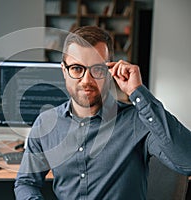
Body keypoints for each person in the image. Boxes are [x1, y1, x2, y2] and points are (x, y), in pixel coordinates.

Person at [14, 26, 191, 199]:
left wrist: (137, 92)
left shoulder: (138, 121)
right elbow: (26, 183)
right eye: (77, 68)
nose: (86, 80)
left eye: (97, 69)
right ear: (64, 71)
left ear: (109, 71)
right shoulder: (46, 123)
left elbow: (187, 161)